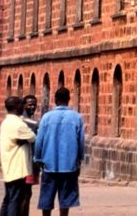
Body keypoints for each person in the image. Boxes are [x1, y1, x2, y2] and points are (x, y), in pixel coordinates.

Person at [33, 87, 84, 216]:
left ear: (55, 100)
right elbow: (81, 142)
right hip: (69, 165)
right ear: (68, 99)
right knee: (65, 199)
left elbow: (39, 141)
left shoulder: (46, 117)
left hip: (49, 165)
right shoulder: (76, 118)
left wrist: (37, 158)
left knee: (47, 196)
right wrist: (79, 160)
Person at [0, 96, 36, 216]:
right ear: (16, 107)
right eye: (21, 104)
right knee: (15, 200)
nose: (23, 107)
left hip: (9, 166)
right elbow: (33, 137)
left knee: (8, 199)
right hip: (17, 168)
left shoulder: (6, 122)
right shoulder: (18, 124)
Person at [21, 94, 40, 213]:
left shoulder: (29, 121)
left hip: (28, 161)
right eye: (29, 105)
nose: (32, 107)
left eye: (34, 105)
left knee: (26, 193)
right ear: (24, 106)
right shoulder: (29, 123)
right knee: (26, 193)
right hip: (27, 162)